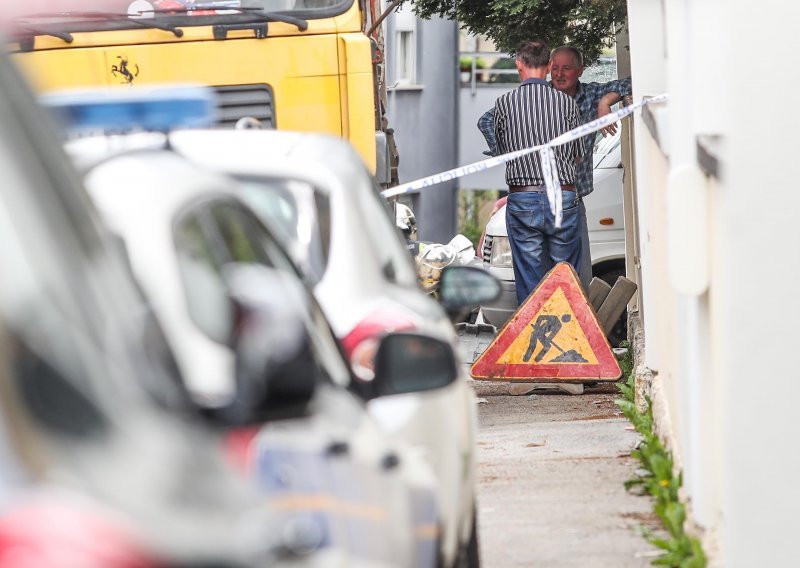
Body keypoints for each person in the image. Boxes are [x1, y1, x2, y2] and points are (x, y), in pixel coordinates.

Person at [479, 45, 632, 290]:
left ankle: (563, 324)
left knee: (572, 278)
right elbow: (487, 120)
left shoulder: (590, 95)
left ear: (580, 71)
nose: (559, 74)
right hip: (551, 195)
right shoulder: (538, 96)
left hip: (568, 197)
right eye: (555, 68)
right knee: (555, 279)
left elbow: (634, 81)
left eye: (567, 68)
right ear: (548, 68)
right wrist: (510, 153)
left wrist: (605, 102)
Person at [494, 40, 583, 304]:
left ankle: (533, 338)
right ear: (547, 66)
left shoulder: (504, 104)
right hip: (562, 197)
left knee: (530, 277)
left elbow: (502, 152)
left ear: (518, 64)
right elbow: (578, 153)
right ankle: (568, 334)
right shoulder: (566, 104)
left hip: (523, 200)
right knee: (565, 274)